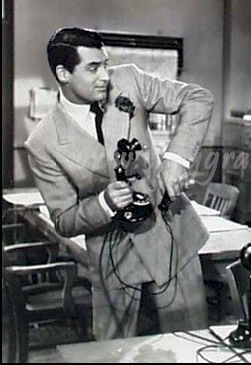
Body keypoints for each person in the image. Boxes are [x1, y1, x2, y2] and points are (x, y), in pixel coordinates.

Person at [25, 27, 214, 340]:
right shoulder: (43, 142)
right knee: (114, 353)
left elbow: (198, 98)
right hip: (111, 256)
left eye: (105, 64)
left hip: (170, 240)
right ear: (63, 73)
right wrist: (104, 203)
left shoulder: (128, 80)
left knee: (191, 343)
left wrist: (176, 159)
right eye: (92, 68)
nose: (104, 76)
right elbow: (64, 220)